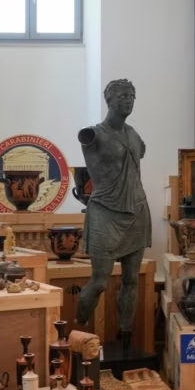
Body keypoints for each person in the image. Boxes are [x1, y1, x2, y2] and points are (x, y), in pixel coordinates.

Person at [75, 79, 151, 352]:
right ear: (109, 100)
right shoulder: (93, 134)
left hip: (137, 210)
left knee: (131, 279)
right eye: (122, 95)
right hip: (106, 213)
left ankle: (126, 334)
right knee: (99, 282)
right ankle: (75, 332)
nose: (128, 100)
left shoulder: (134, 136)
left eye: (132, 95)